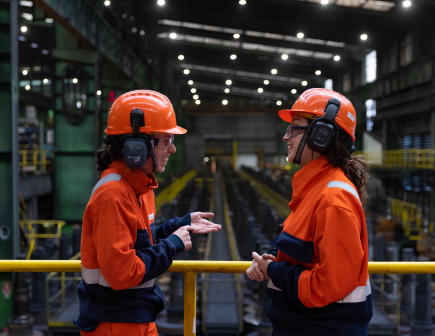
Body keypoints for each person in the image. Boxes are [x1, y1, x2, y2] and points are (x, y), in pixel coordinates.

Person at [74, 90, 221, 335]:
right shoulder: (114, 195)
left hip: (136, 315)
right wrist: (172, 245)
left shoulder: (140, 188)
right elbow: (122, 272)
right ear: (136, 147)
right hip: (114, 323)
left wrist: (179, 224)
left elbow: (141, 241)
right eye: (166, 140)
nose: (172, 150)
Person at [246, 88, 372, 335]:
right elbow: (303, 252)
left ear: (321, 135)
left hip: (323, 328)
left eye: (294, 127)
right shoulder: (315, 189)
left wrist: (272, 271)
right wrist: (270, 260)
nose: (286, 137)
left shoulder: (333, 199)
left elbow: (327, 286)